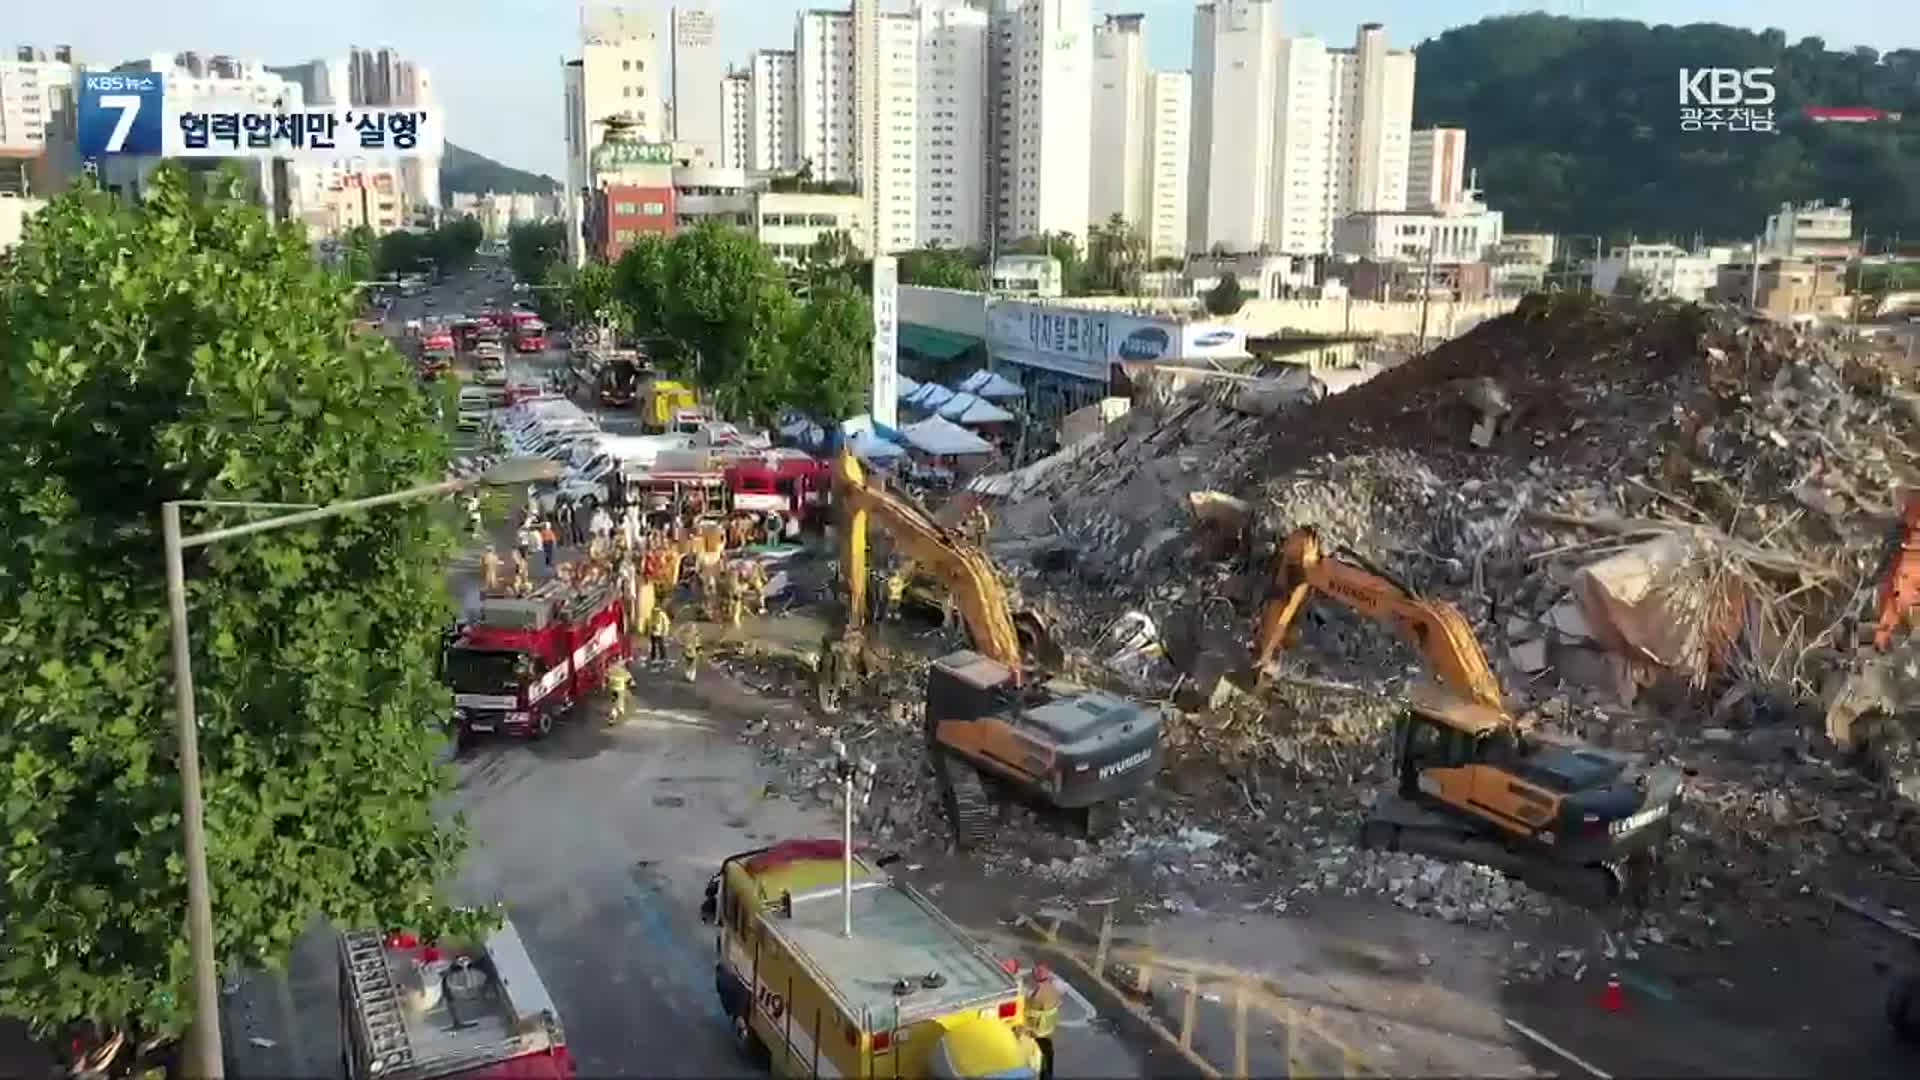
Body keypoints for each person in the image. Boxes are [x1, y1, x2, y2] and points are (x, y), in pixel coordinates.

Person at [1026, 964, 1061, 1080]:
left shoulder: (1037, 995)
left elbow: (1029, 1010)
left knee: (1034, 1062)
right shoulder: (1053, 989)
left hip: (1036, 1031)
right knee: (1047, 1058)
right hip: (1048, 1031)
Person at [604, 661, 632, 725]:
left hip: (613, 690)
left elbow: (606, 679)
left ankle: (616, 712)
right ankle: (617, 712)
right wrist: (628, 686)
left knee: (614, 703)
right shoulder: (623, 671)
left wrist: (606, 685)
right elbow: (629, 680)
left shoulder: (610, 670)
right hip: (621, 690)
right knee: (619, 701)